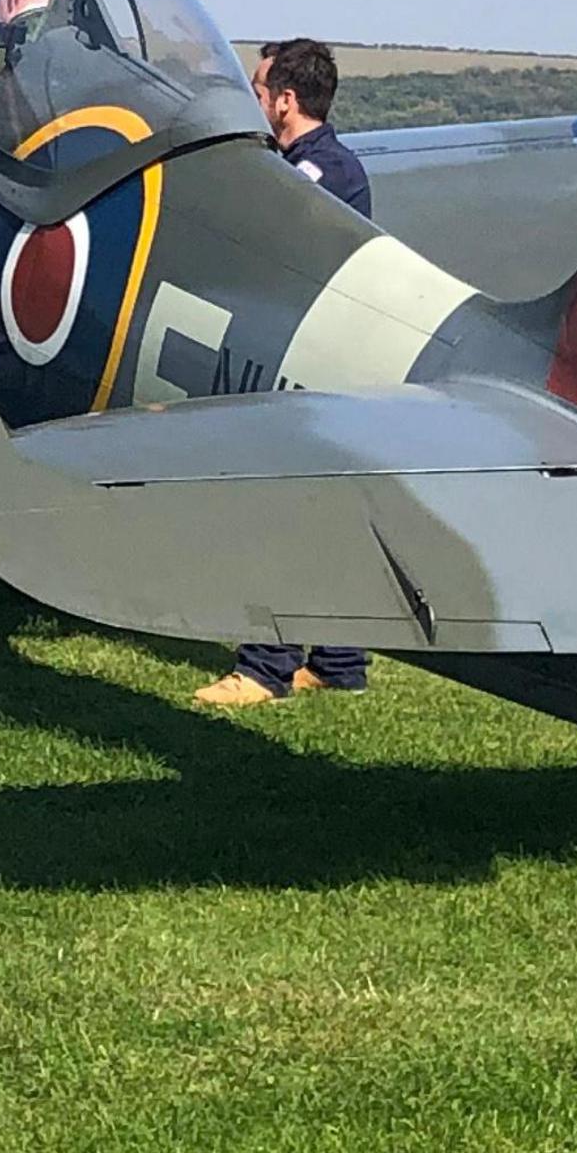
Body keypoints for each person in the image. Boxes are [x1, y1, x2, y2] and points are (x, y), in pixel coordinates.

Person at [192, 36, 381, 708]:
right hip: (332, 368)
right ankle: (338, 660)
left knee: (269, 504)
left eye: (259, 87)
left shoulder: (313, 176)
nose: (253, 97)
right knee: (328, 513)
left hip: (300, 369)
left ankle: (264, 665)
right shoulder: (328, 165)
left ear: (285, 101)